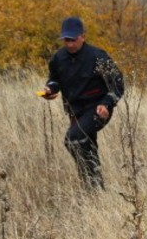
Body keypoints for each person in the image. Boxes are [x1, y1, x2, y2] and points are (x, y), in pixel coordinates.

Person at [41, 16, 124, 190]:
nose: (70, 44)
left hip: (98, 109)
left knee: (72, 139)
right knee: (86, 145)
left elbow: (118, 84)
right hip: (75, 111)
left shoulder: (98, 56)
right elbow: (54, 80)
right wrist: (50, 90)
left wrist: (107, 103)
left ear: (82, 37)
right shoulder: (58, 58)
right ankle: (94, 187)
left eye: (73, 39)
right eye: (66, 40)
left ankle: (91, 181)